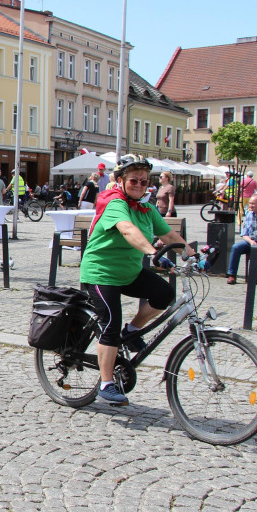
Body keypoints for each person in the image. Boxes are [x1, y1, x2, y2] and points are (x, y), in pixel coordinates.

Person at [80, 155, 194, 406]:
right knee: (110, 323)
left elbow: (169, 235)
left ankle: (131, 331)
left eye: (144, 181)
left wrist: (193, 255)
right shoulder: (114, 203)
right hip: (101, 273)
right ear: (121, 181)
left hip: (129, 273)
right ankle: (106, 384)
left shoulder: (147, 208)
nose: (139, 185)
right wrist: (153, 253)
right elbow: (127, 230)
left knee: (164, 294)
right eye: (134, 180)